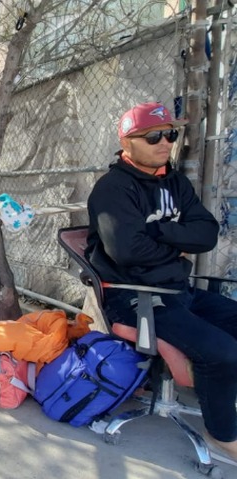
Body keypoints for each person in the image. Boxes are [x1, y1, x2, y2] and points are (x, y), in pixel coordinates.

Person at [86, 101, 237, 458]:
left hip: (178, 289)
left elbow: (206, 233)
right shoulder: (112, 189)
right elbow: (128, 251)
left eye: (170, 134)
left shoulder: (175, 181)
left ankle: (221, 402)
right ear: (127, 142)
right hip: (136, 298)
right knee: (223, 353)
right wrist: (178, 246)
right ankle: (221, 434)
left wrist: (158, 231)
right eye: (153, 136)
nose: (165, 143)